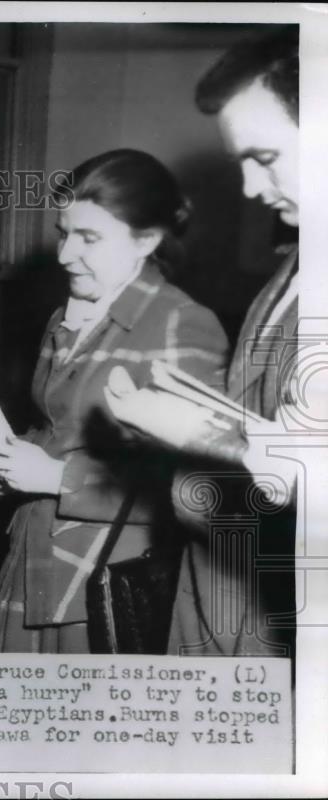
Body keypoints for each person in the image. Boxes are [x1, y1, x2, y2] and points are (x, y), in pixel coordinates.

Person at [0, 149, 229, 653]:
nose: (65, 255)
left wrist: (56, 479)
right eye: (64, 232)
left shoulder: (182, 323)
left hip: (104, 584)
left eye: (89, 238)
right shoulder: (72, 310)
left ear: (146, 240)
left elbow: (197, 486)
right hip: (34, 563)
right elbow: (58, 429)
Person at [167, 27, 299, 657]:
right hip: (223, 612)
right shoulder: (293, 269)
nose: (249, 189)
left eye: (265, 158)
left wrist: (200, 433)